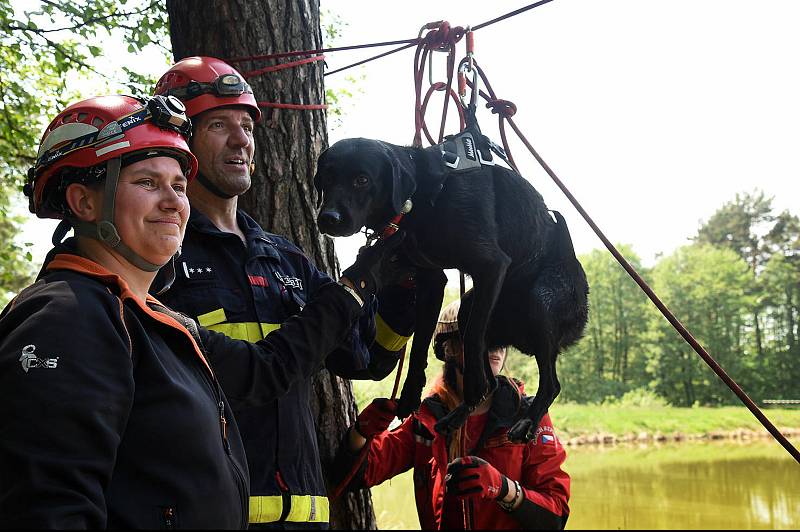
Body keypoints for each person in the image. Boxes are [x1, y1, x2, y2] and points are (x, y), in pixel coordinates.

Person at [0, 94, 402, 528]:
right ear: (84, 202)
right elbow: (48, 511)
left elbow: (263, 372)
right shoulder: (67, 317)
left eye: (178, 185)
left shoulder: (155, 322)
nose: (174, 202)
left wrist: (374, 279)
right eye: (147, 183)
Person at [151, 56, 415, 529]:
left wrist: (407, 281)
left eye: (247, 127)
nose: (241, 141)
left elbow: (365, 359)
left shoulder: (284, 259)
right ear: (181, 140)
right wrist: (349, 290)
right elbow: (248, 378)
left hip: (307, 519)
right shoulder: (158, 261)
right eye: (218, 125)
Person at [335, 298, 571, 530]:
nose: (495, 346)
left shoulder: (527, 416)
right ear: (449, 348)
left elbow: (555, 515)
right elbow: (356, 475)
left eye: (500, 339)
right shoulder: (427, 420)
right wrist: (361, 431)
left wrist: (503, 488)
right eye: (483, 334)